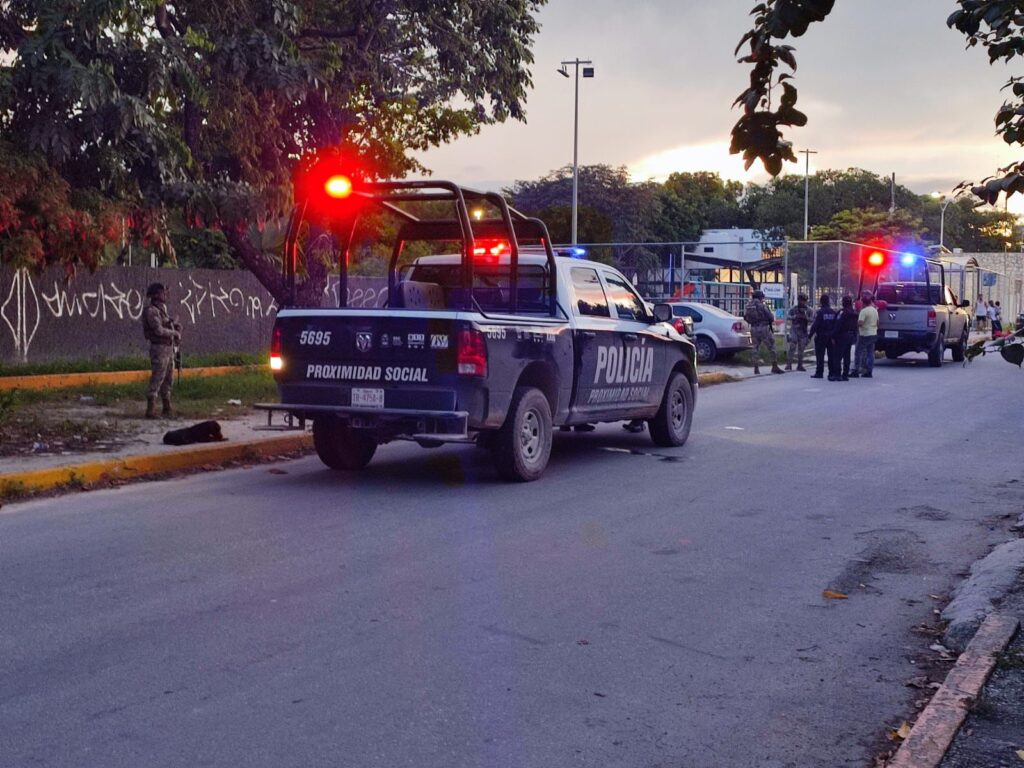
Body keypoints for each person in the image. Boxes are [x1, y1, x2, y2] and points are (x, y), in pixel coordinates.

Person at [141, 282, 182, 418]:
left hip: (168, 347)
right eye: (163, 292)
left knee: (168, 377)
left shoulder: (161, 310)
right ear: (156, 295)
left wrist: (174, 325)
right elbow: (158, 331)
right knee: (158, 377)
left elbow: (165, 324)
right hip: (159, 347)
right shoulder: (151, 311)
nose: (165, 294)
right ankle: (150, 409)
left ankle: (166, 406)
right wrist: (174, 333)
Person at [743, 289, 784, 375]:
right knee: (771, 346)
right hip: (764, 328)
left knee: (755, 348)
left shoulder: (748, 306)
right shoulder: (762, 305)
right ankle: (774, 366)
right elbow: (771, 317)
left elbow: (745, 317)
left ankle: (756, 368)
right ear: (760, 297)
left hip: (753, 328)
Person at [808, 294, 838, 380]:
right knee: (831, 355)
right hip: (831, 336)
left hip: (821, 336)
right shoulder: (833, 312)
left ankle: (819, 373)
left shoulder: (819, 312)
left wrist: (810, 335)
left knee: (820, 355)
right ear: (828, 302)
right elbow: (836, 325)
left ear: (821, 302)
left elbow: (815, 325)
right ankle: (831, 373)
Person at [853, 290, 878, 378]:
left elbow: (860, 323)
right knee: (870, 353)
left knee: (858, 352)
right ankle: (869, 371)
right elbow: (878, 323)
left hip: (864, 334)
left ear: (863, 302)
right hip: (873, 334)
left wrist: (856, 326)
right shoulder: (874, 310)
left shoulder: (863, 311)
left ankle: (856, 370)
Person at [785, 294, 813, 372]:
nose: (802, 302)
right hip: (794, 330)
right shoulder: (794, 309)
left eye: (804, 300)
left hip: (803, 331)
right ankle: (788, 364)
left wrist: (806, 318)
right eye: (801, 300)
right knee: (792, 347)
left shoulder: (808, 310)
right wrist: (794, 317)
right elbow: (787, 316)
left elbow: (812, 319)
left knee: (801, 349)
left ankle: (800, 365)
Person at [834, 295, 859, 381]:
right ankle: (845, 374)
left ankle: (837, 374)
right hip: (851, 336)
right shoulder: (854, 313)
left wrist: (834, 336)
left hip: (842, 335)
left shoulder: (842, 312)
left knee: (838, 355)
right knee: (847, 356)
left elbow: (838, 324)